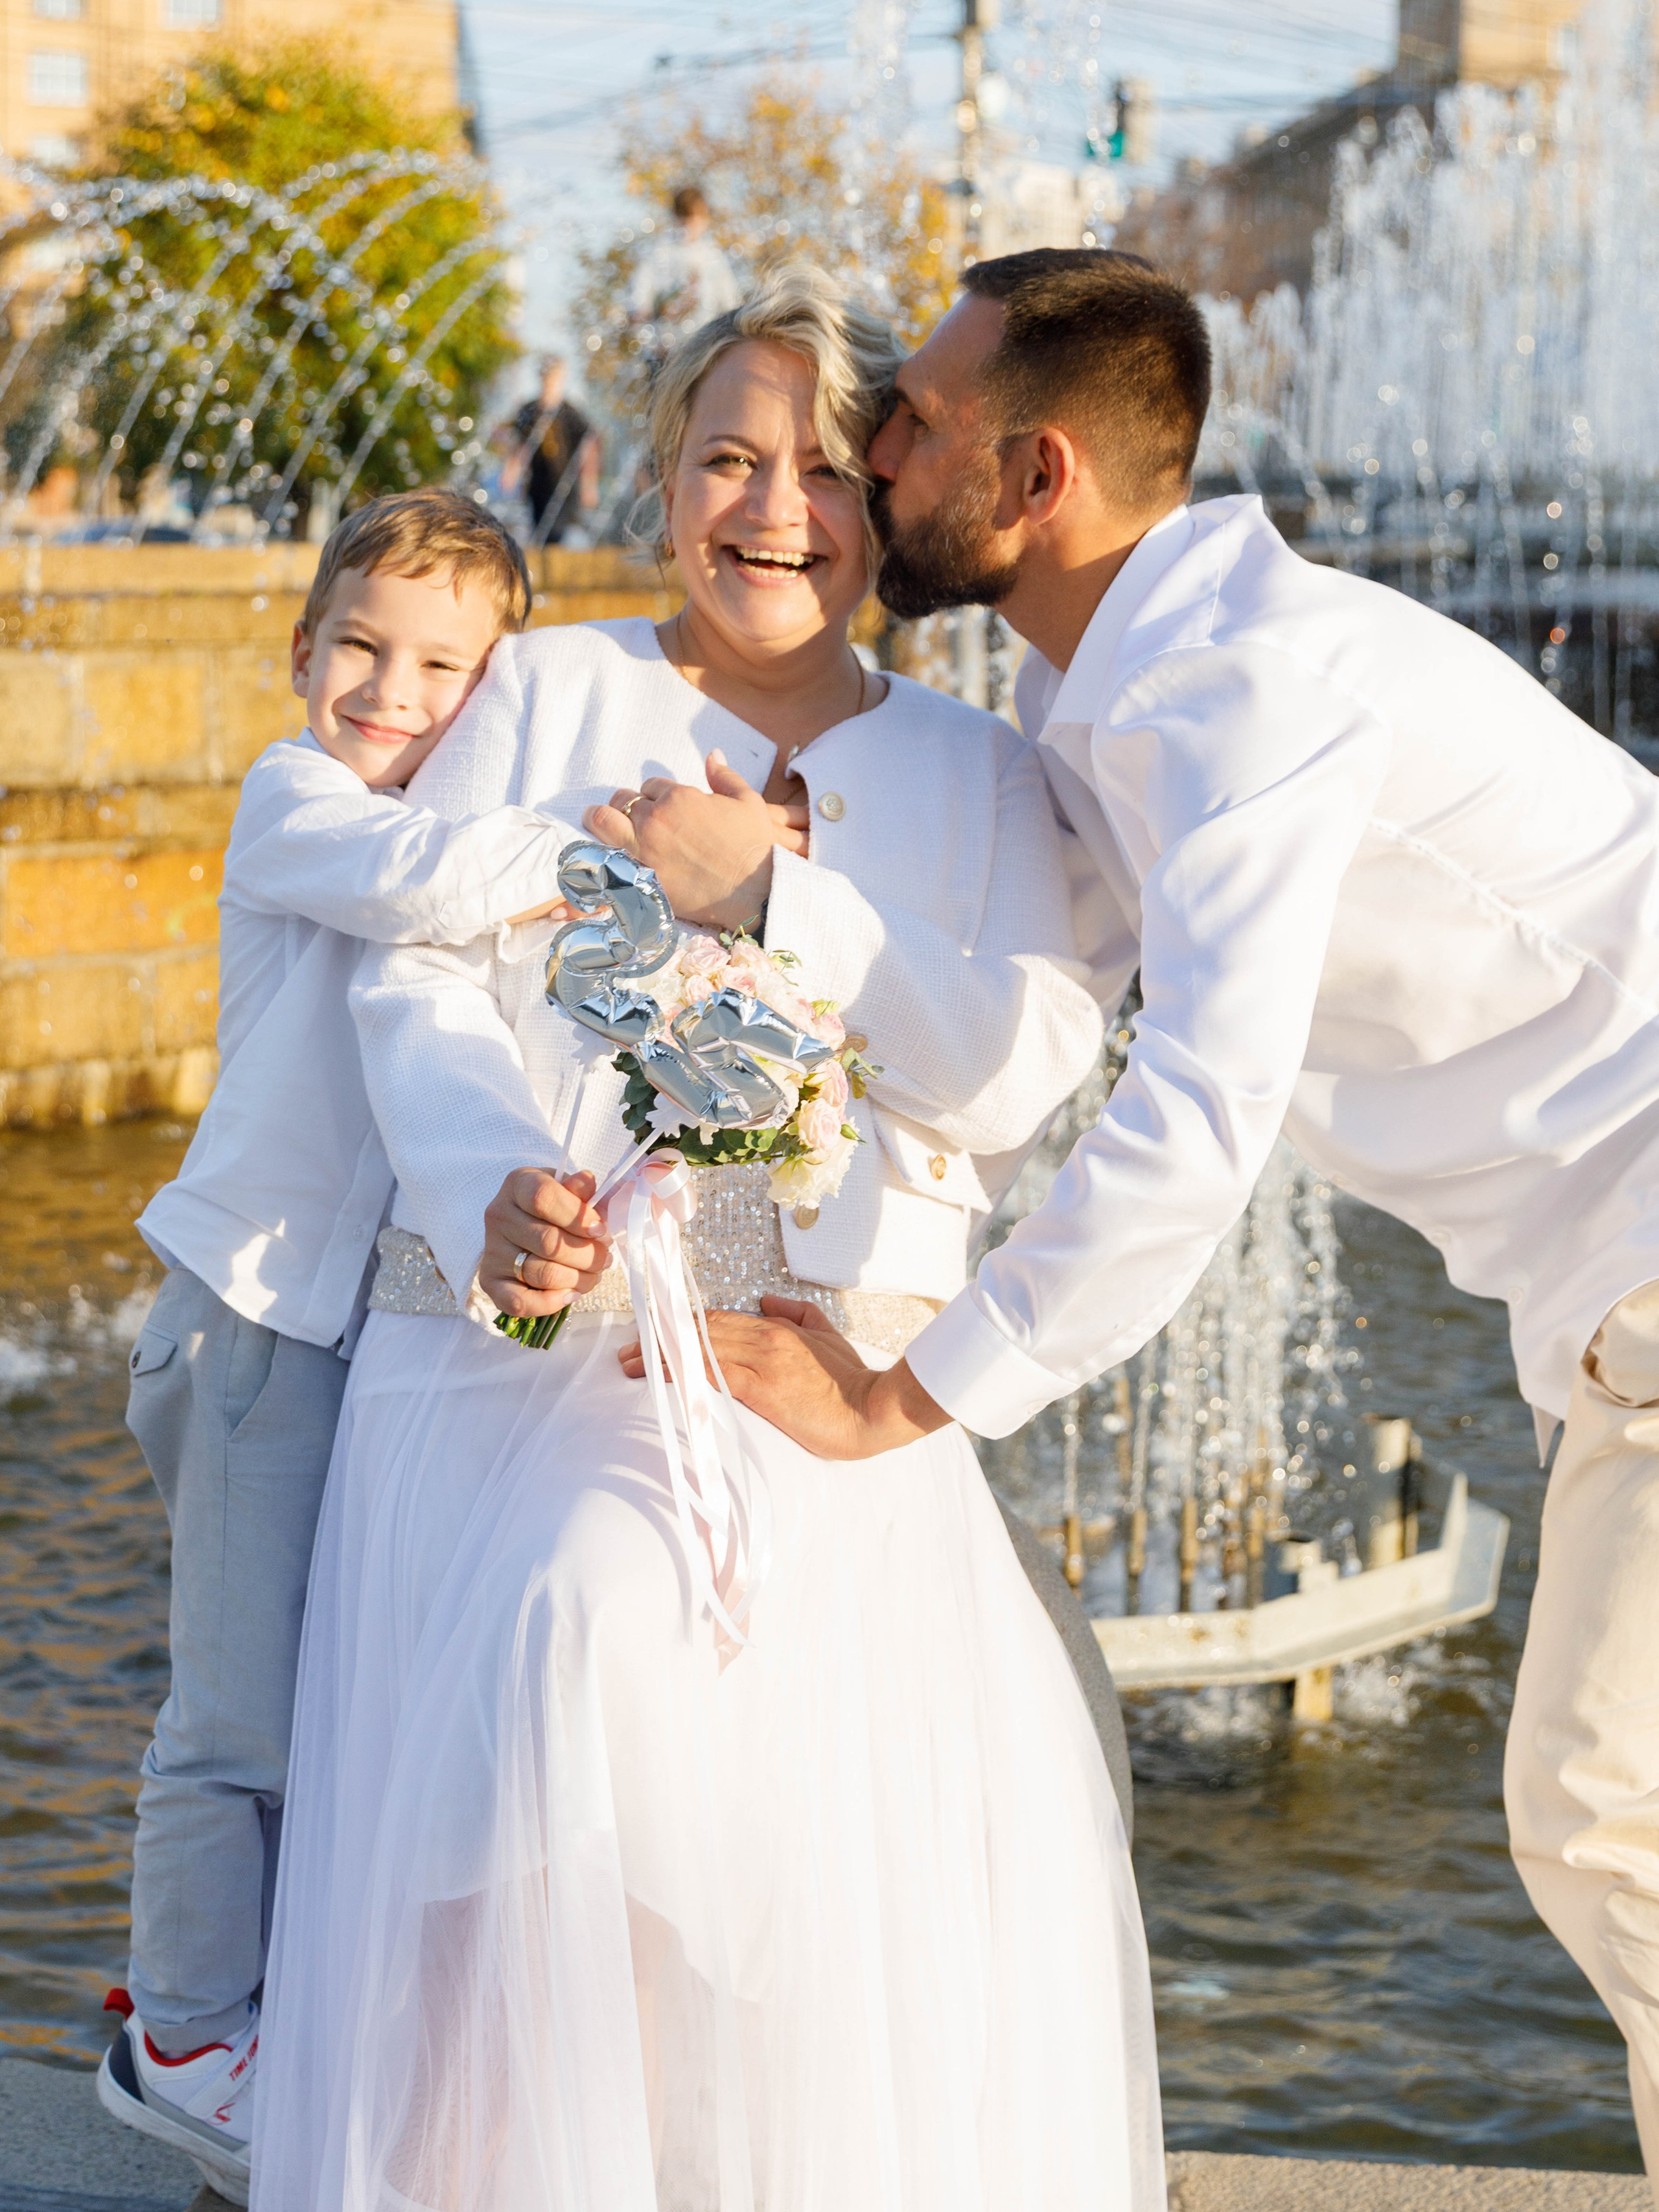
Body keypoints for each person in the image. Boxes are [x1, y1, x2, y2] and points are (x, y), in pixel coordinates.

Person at [705, 246, 1659, 2189]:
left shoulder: (1235, 694)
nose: (874, 454)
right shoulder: (1127, 696)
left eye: (911, 424)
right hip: (1609, 1275)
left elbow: (1195, 1113)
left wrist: (907, 1396)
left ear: (1035, 478)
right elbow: (1013, 1047)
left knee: (1601, 1811)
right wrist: (780, 889)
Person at [250, 266, 1165, 2211]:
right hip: (509, 1376)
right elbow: (411, 972)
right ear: (658, 480)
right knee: (539, 1753)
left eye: (827, 468)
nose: (775, 510)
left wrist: (783, 900)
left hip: (824, 1402)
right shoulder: (540, 693)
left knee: (789, 1929)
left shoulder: (991, 781)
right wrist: (484, 1178)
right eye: (729, 460)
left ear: (885, 504)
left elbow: (1009, 1080)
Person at [99, 489, 580, 2204]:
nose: (393, 689)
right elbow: (422, 876)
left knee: (321, 1701)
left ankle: (265, 2001)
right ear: (301, 654)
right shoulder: (296, 800)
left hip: (325, 1329)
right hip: (247, 1323)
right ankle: (179, 2031)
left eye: (445, 667)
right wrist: (610, 845)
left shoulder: (447, 821)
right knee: (234, 1717)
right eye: (362, 648)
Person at [629, 182, 743, 366]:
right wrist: (651, 343)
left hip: (703, 350)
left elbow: (729, 304)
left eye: (696, 220)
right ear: (674, 218)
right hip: (665, 353)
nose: (690, 226)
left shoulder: (713, 257)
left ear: (705, 220)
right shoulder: (658, 253)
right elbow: (639, 303)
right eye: (685, 219)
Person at [504, 355, 600, 545]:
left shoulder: (571, 413)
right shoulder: (529, 411)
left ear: (563, 380)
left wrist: (590, 484)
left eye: (556, 380)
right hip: (538, 485)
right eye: (548, 379)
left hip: (566, 485)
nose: (551, 384)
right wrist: (512, 470)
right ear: (541, 378)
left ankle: (558, 569)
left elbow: (588, 447)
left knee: (560, 532)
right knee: (540, 532)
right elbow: (520, 446)